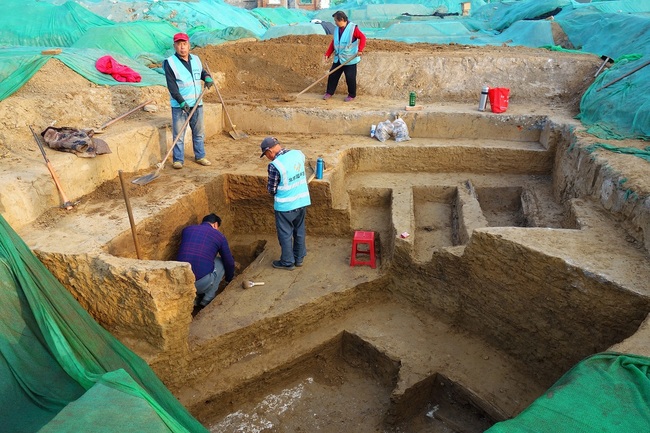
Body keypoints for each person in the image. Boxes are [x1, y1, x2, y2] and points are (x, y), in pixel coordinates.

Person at [162, 32, 214, 170]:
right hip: (180, 106)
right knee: (179, 134)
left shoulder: (196, 59)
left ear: (188, 45)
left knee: (198, 132)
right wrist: (181, 101)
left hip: (197, 103)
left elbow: (201, 72)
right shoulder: (170, 63)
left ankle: (200, 156)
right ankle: (178, 160)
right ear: (174, 46)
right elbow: (171, 86)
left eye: (184, 44)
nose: (182, 47)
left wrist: (207, 76)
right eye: (179, 44)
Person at [260, 137, 311, 271]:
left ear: (269, 151)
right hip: (302, 201)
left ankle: (288, 262)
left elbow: (272, 189)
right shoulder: (298, 154)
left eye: (265, 155)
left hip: (285, 206)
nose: (267, 158)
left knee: (285, 234)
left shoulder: (275, 165)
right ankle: (299, 258)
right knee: (299, 230)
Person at [177, 213, 235, 311]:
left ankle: (193, 299)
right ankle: (207, 298)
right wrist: (229, 279)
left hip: (181, 281)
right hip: (200, 283)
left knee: (196, 260)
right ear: (216, 225)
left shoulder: (187, 230)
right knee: (221, 262)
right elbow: (229, 262)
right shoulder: (219, 236)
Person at [322, 11, 366, 102]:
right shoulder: (337, 29)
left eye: (335, 20)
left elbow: (362, 37)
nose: (335, 22)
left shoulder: (353, 28)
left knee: (350, 77)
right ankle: (329, 92)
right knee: (333, 75)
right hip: (339, 58)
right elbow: (334, 42)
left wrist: (360, 49)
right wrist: (328, 54)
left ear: (341, 20)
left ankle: (352, 95)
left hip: (350, 59)